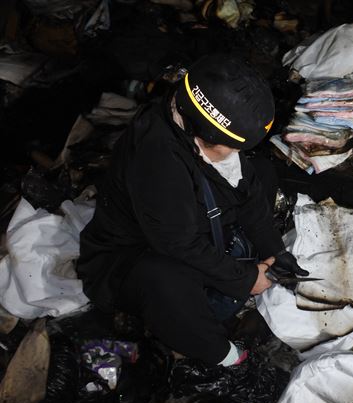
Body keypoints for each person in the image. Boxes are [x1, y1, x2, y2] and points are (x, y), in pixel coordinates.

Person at [77, 54, 307, 367]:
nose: (235, 155)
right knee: (166, 281)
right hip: (128, 258)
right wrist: (246, 279)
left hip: (187, 220)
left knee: (262, 172)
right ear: (202, 133)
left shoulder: (194, 127)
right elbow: (179, 244)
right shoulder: (157, 161)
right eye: (230, 147)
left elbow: (248, 191)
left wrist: (275, 251)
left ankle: (234, 268)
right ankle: (218, 354)